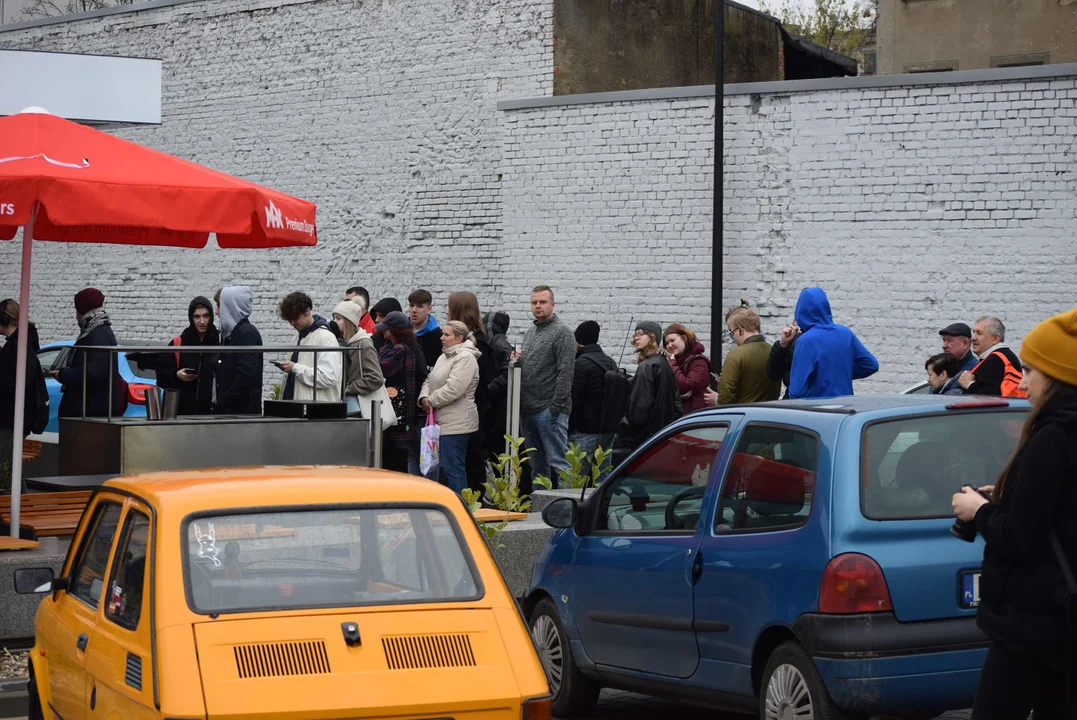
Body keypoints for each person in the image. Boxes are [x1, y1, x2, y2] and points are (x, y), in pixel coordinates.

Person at [951, 306, 1077, 718]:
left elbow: (1021, 539)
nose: (1022, 382)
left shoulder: (1051, 438)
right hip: (1062, 619)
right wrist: (1010, 496)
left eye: (1031, 370)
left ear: (1057, 377)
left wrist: (979, 510)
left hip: (1031, 623)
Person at [517, 286, 576, 485]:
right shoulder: (531, 331)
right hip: (528, 410)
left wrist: (555, 407)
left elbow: (565, 372)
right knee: (537, 468)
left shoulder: (563, 333)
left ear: (553, 304)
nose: (538, 306)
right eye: (534, 302)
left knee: (560, 464)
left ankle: (567, 511)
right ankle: (539, 513)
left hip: (549, 411)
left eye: (542, 302)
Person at [420, 320, 481, 493]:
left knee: (453, 469)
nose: (441, 338)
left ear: (459, 337)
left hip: (457, 423)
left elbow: (454, 388)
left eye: (447, 335)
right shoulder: (444, 356)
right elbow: (429, 380)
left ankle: (461, 508)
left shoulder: (466, 358)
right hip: (440, 421)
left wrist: (431, 401)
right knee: (442, 469)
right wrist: (424, 397)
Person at [787, 287, 879, 399]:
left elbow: (797, 392)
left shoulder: (805, 342)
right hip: (845, 410)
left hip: (818, 411)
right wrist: (840, 374)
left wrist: (821, 378)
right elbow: (871, 365)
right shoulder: (845, 333)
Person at [447, 291, 498, 493]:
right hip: (470, 409)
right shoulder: (476, 340)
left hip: (469, 410)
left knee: (468, 459)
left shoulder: (476, 344)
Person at [616, 321, 682, 457]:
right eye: (635, 334)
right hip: (663, 437)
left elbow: (639, 410)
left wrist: (622, 428)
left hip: (645, 440)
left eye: (641, 334)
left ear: (652, 337)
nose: (636, 338)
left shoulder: (647, 366)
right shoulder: (664, 363)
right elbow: (677, 405)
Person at [54, 288, 123, 418]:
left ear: (81, 310)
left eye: (76, 309)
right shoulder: (98, 330)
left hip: (90, 412)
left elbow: (95, 374)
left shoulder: (97, 333)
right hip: (91, 410)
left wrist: (63, 374)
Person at [145, 296, 219, 415]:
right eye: (197, 316)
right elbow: (161, 376)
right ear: (191, 317)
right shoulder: (178, 343)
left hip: (212, 415)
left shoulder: (219, 342)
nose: (202, 321)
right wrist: (176, 375)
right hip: (181, 414)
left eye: (206, 315)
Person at [376, 311, 427, 475]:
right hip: (399, 411)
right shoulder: (397, 347)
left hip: (397, 411)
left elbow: (381, 368)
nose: (382, 331)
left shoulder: (399, 349)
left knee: (394, 458)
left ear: (395, 330)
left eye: (386, 328)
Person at [704, 303, 781, 406]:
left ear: (740, 330)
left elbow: (726, 399)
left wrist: (717, 399)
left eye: (732, 333)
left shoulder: (736, 355)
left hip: (745, 417)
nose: (733, 339)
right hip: (770, 416)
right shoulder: (773, 351)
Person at [0, 299, 46, 466]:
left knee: (7, 468)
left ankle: (20, 493)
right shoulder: (20, 345)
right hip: (14, 417)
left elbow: (13, 383)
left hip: (10, 418)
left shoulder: (18, 347)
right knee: (10, 469)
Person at [277, 292, 342, 402]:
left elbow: (329, 377)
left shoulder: (326, 337)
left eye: (295, 318)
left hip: (315, 411)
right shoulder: (297, 337)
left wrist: (295, 368)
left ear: (307, 311)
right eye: (289, 320)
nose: (292, 323)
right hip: (298, 407)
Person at [569, 320, 618, 460]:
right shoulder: (610, 362)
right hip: (608, 430)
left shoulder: (580, 364)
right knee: (602, 476)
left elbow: (574, 400)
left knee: (574, 477)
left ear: (579, 341)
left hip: (584, 431)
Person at [215, 286, 263, 415]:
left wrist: (224, 401)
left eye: (220, 306)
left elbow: (246, 375)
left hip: (240, 414)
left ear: (231, 307)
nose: (217, 312)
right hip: (233, 411)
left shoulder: (247, 334)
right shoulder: (232, 334)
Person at [332, 298, 385, 405]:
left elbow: (376, 378)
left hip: (359, 405)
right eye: (334, 318)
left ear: (348, 321)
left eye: (338, 318)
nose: (334, 322)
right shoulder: (341, 342)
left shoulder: (363, 343)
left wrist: (348, 388)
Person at [959, 316, 1024, 397]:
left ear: (995, 338)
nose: (973, 338)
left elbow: (989, 399)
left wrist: (969, 384)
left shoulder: (995, 360)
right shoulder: (1004, 356)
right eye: (973, 332)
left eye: (979, 333)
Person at [663, 323, 712, 413]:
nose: (669, 345)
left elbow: (685, 386)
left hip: (696, 416)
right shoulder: (675, 362)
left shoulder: (699, 361)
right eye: (666, 343)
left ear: (684, 338)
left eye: (672, 340)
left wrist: (673, 363)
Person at [484, 310, 512, 458]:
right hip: (496, 403)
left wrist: (487, 389)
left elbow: (509, 374)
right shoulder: (497, 343)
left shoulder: (500, 345)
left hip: (499, 404)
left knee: (496, 445)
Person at [408, 289, 443, 368]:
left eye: (420, 306)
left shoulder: (438, 336)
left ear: (429, 309)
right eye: (411, 305)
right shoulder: (401, 331)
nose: (414, 310)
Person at [766, 320, 800, 399]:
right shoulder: (795, 338)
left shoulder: (801, 340)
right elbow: (774, 373)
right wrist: (783, 344)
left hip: (797, 400)